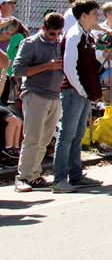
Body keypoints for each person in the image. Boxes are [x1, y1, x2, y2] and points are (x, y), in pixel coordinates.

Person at [11, 12, 65, 192]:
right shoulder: (30, 43)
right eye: (52, 33)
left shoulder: (60, 43)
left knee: (45, 139)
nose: (56, 37)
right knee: (32, 137)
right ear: (43, 28)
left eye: (59, 33)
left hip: (54, 95)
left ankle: (34, 175)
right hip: (35, 94)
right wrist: (47, 66)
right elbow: (17, 70)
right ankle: (22, 177)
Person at [55, 0, 104, 193]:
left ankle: (75, 175)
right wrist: (82, 90)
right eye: (94, 13)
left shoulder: (87, 34)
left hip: (83, 93)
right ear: (83, 15)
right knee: (66, 135)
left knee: (77, 135)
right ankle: (59, 179)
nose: (97, 16)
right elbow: (68, 67)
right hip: (74, 92)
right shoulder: (75, 35)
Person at [1, 16, 25, 108]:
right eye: (2, 29)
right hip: (11, 73)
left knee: (14, 99)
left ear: (15, 27)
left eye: (7, 27)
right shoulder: (14, 37)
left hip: (14, 73)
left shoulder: (16, 37)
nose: (5, 31)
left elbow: (23, 48)